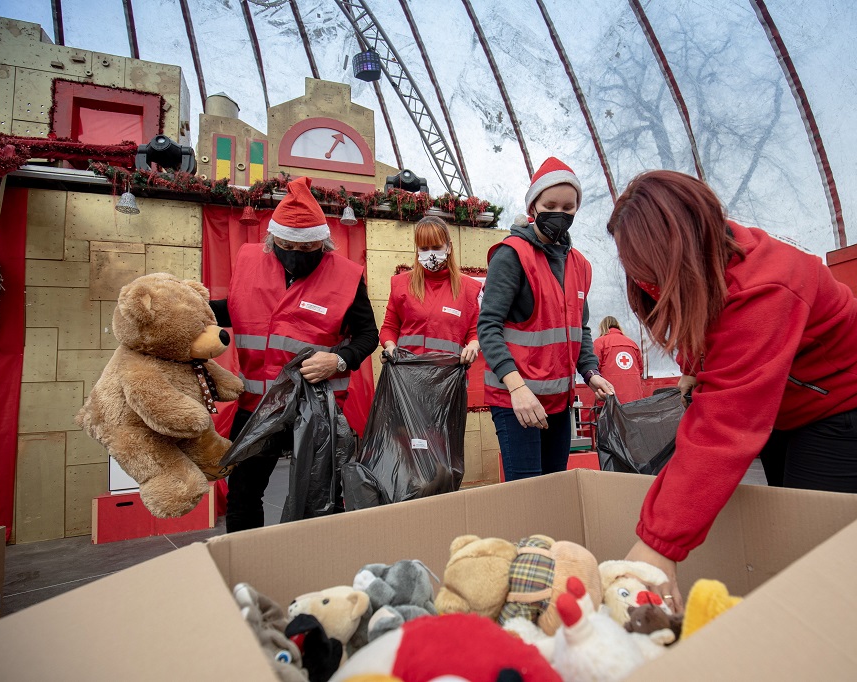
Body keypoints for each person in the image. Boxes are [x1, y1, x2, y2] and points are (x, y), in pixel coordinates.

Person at [608, 170, 857, 611]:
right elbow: (699, 315)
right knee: (783, 531)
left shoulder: (766, 288)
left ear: (679, 251)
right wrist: (693, 367)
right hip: (787, 402)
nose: (643, 282)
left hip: (850, 403)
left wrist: (658, 546)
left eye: (649, 270)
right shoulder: (707, 262)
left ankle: (829, 632)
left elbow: (725, 429)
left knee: (807, 546)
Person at [209, 176, 379, 532]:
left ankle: (320, 567)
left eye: (307, 249)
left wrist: (339, 359)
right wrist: (191, 310)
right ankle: (247, 570)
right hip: (257, 405)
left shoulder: (347, 277)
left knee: (322, 497)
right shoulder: (250, 261)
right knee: (243, 494)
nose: (296, 257)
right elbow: (235, 308)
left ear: (323, 243)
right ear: (273, 240)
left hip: (316, 408)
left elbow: (367, 335)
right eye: (287, 246)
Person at [478, 157, 615, 481]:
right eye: (550, 204)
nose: (560, 213)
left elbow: (578, 328)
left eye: (569, 207)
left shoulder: (579, 264)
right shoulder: (512, 255)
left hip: (558, 401)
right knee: (528, 494)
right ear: (533, 206)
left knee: (555, 488)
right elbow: (488, 326)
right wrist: (518, 389)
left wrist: (590, 371)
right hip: (517, 400)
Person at [380, 216, 482, 364]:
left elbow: (475, 332)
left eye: (436, 247)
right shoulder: (401, 284)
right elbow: (390, 327)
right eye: (424, 248)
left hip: (449, 377)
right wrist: (389, 346)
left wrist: (474, 345)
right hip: (407, 376)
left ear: (448, 247)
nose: (430, 254)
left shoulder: (468, 288)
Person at [593, 316, 644, 404]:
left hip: (611, 398)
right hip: (635, 398)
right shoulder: (632, 343)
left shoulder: (599, 342)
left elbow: (594, 370)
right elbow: (640, 370)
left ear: (602, 327)